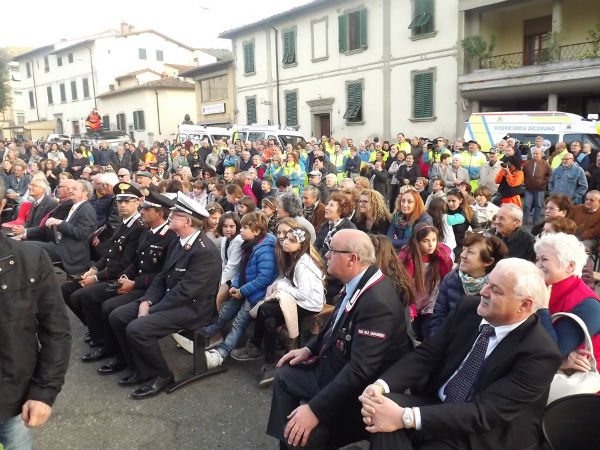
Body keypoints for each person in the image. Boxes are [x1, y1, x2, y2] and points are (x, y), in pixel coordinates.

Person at [359, 258, 562, 450]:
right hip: (438, 404)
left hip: (484, 432)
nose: (483, 291)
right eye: (488, 283)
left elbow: (486, 413)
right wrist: (380, 385)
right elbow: (427, 354)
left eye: (496, 290)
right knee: (379, 412)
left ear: (525, 305)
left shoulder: (541, 353)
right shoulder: (468, 308)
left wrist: (405, 417)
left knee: (393, 422)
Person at [266, 229, 413, 449]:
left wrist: (315, 410)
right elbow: (333, 327)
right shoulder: (357, 281)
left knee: (300, 439)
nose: (325, 255)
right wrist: (308, 349)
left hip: (357, 395)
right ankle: (288, 436)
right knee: (285, 374)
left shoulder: (377, 302)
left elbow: (360, 371)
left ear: (352, 259)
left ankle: (293, 439)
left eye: (332, 251)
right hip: (335, 368)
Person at [108, 192, 221, 398]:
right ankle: (140, 369)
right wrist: (146, 301)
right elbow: (161, 277)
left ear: (187, 221)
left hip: (193, 308)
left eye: (175, 214)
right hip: (172, 299)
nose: (170, 216)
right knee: (117, 316)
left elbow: (186, 292)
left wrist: (151, 310)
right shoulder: (179, 240)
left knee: (137, 328)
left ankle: (162, 376)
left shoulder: (204, 250)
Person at [0, 178, 71, 450]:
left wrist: (44, 391)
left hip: (10, 395)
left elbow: (55, 329)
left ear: (2, 204)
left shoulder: (27, 261)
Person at [94, 190, 178, 375]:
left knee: (112, 311)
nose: (141, 211)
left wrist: (134, 283)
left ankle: (129, 359)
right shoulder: (146, 232)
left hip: (151, 289)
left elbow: (162, 275)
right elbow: (136, 261)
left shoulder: (170, 238)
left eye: (146, 209)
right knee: (103, 303)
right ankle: (119, 353)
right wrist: (124, 277)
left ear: (159, 213)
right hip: (137, 282)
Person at [231, 226, 326, 387]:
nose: (285, 242)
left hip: (310, 304)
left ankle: (256, 346)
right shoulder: (293, 256)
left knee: (264, 309)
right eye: (286, 238)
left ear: (301, 245)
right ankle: (270, 363)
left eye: (291, 240)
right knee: (269, 320)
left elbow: (304, 294)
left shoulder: (303, 264)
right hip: (300, 298)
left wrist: (282, 287)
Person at [60, 182, 144, 352]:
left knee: (83, 296)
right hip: (108, 272)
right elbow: (109, 254)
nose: (123, 205)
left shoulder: (138, 227)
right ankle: (96, 328)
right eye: (120, 202)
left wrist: (96, 278)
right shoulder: (124, 223)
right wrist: (93, 269)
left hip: (120, 277)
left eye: (128, 201)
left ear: (138, 203)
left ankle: (103, 338)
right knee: (67, 289)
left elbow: (124, 264)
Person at [204, 211, 278, 369]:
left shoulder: (265, 250)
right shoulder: (250, 244)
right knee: (224, 314)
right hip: (244, 289)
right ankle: (202, 335)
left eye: (244, 227)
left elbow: (263, 279)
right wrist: (235, 285)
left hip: (256, 295)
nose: (241, 230)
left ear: (256, 231)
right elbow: (242, 270)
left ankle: (221, 354)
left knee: (238, 323)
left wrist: (242, 291)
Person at [535, 232, 600, 368]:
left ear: (570, 266)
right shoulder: (541, 286)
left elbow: (551, 353)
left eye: (544, 259)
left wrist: (542, 309)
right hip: (537, 368)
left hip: (576, 384)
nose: (537, 265)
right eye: (537, 259)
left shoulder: (588, 305)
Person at [429, 231, 508, 336]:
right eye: (463, 249)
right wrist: (437, 343)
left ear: (488, 261)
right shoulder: (451, 279)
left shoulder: (498, 289)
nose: (462, 255)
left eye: (470, 252)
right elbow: (438, 317)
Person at [27, 180, 97, 274]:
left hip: (70, 252)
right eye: (71, 188)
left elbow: (82, 233)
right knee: (26, 246)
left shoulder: (87, 209)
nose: (70, 191)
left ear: (84, 193)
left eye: (74, 189)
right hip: (61, 245)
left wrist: (59, 223)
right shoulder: (76, 207)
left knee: (28, 247)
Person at [399, 223, 453, 340]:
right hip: (413, 298)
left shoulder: (440, 255)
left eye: (434, 240)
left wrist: (442, 257)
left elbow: (446, 273)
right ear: (417, 242)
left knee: (427, 331)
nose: (431, 244)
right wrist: (410, 308)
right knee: (412, 332)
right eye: (425, 241)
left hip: (431, 300)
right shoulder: (408, 258)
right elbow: (404, 285)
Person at [522, 147, 551, 224]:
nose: (535, 155)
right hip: (529, 188)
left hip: (540, 189)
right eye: (534, 153)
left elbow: (549, 174)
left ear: (541, 154)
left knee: (538, 205)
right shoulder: (527, 163)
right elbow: (523, 173)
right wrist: (526, 181)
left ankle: (536, 220)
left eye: (537, 153)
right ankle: (525, 220)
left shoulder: (545, 164)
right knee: (527, 205)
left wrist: (544, 182)